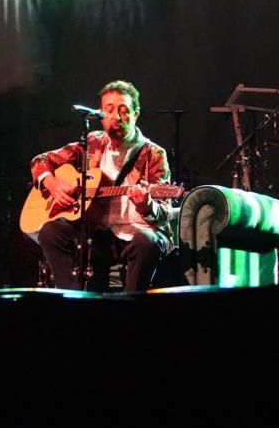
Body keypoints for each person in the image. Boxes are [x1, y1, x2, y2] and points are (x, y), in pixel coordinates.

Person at [29, 79, 173, 291]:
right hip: (97, 233)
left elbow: (165, 212)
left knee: (146, 243)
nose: (116, 116)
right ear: (100, 114)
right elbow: (40, 161)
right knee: (51, 231)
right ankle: (73, 298)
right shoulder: (92, 143)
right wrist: (51, 182)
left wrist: (146, 204)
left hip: (136, 232)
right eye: (110, 109)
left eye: (124, 110)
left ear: (136, 114)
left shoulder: (153, 154)